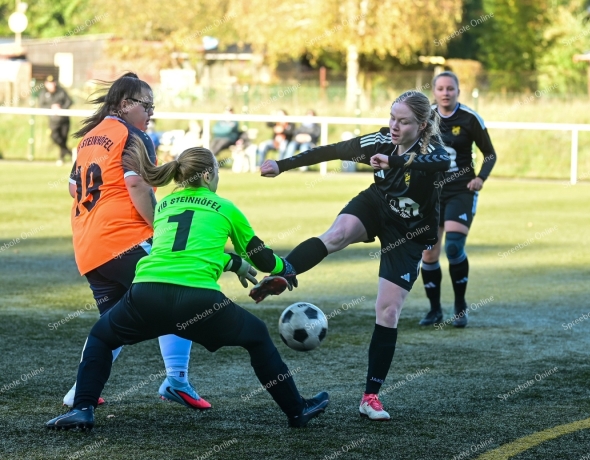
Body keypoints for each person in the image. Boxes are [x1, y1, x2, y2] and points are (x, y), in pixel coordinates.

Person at [47, 142, 328, 430]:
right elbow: (262, 258)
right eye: (217, 172)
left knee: (101, 337)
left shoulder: (166, 204)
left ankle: (83, 408)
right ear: (207, 176)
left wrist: (232, 263)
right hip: (198, 300)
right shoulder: (225, 207)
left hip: (146, 293)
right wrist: (287, 268)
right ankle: (297, 410)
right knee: (256, 337)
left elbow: (182, 251)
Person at [258, 90, 450, 421]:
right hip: (376, 204)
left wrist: (394, 161)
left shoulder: (431, 151)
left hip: (410, 233)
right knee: (336, 235)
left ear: (421, 126)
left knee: (388, 311)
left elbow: (442, 162)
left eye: (403, 122)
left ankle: (370, 397)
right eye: (392, 117)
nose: (393, 126)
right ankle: (285, 271)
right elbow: (332, 151)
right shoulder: (378, 141)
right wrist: (282, 164)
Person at [64, 72, 209, 410]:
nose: (151, 113)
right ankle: (177, 380)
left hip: (88, 247)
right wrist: (161, 230)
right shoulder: (134, 135)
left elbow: (74, 188)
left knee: (112, 324)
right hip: (123, 240)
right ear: (126, 104)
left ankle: (78, 393)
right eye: (147, 105)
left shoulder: (90, 138)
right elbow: (137, 187)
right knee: (181, 287)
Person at [419, 71, 497, 328]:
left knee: (453, 248)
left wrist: (481, 179)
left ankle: (460, 306)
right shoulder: (425, 117)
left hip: (461, 191)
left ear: (458, 91)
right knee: (429, 254)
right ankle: (434, 310)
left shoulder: (470, 118)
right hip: (432, 193)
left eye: (450, 88)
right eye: (440, 88)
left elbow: (489, 154)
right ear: (434, 91)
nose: (445, 93)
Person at [38, 75, 73, 165]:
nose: (52, 85)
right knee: (54, 137)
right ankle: (70, 153)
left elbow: (69, 101)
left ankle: (61, 158)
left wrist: (61, 108)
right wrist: (51, 107)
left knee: (64, 139)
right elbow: (41, 105)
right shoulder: (43, 93)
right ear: (46, 84)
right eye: (50, 83)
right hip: (53, 122)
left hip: (64, 120)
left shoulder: (61, 91)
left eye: (53, 82)